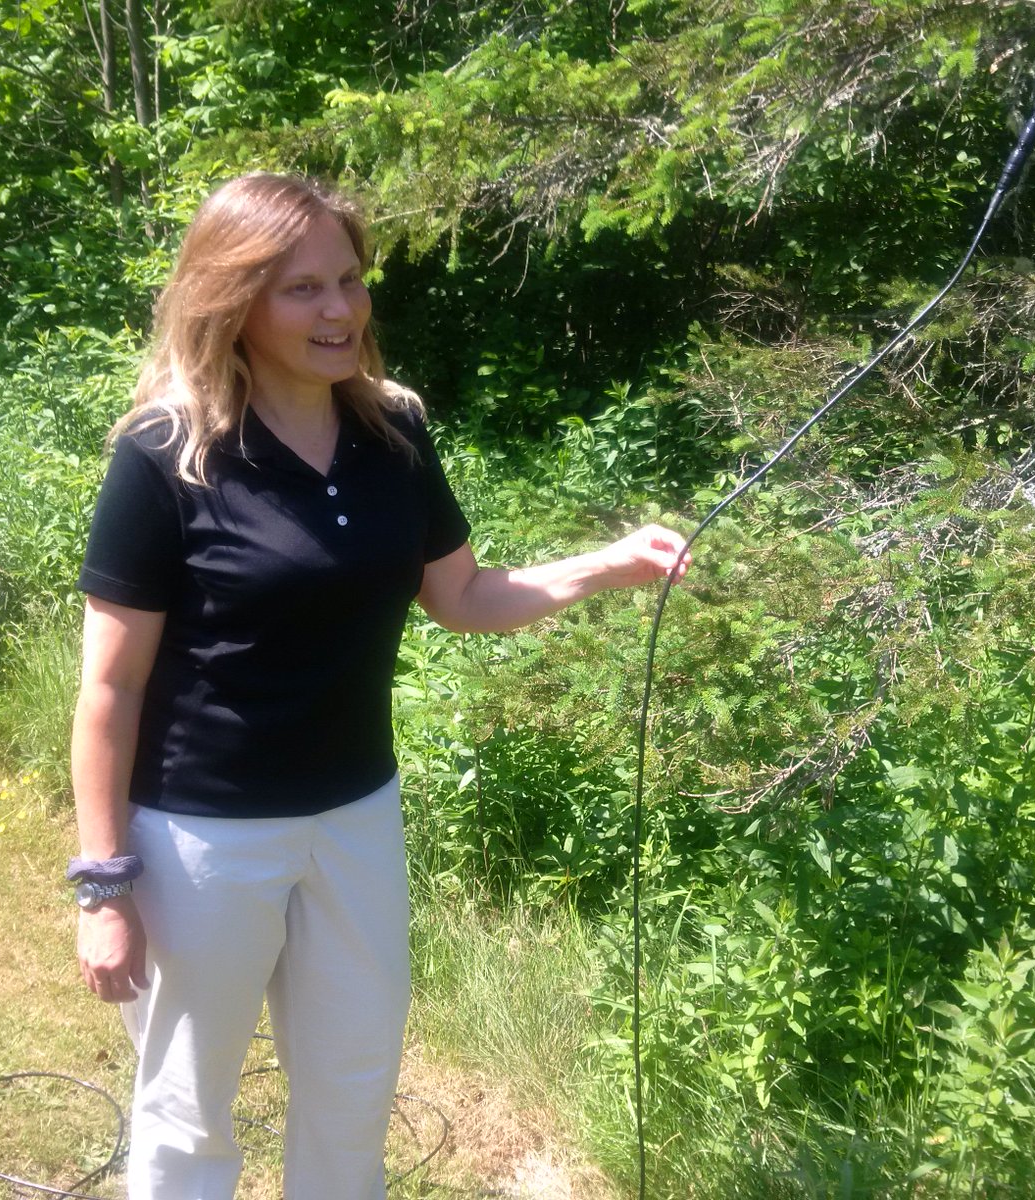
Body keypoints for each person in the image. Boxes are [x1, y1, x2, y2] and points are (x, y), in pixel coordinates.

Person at [69, 172, 689, 1200]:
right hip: (202, 837)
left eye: (349, 281)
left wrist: (606, 564)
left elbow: (463, 594)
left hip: (356, 818)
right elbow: (109, 690)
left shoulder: (393, 433)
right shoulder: (167, 454)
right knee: (185, 1109)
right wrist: (104, 886)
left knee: (354, 1085)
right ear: (233, 299)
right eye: (301, 289)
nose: (341, 310)